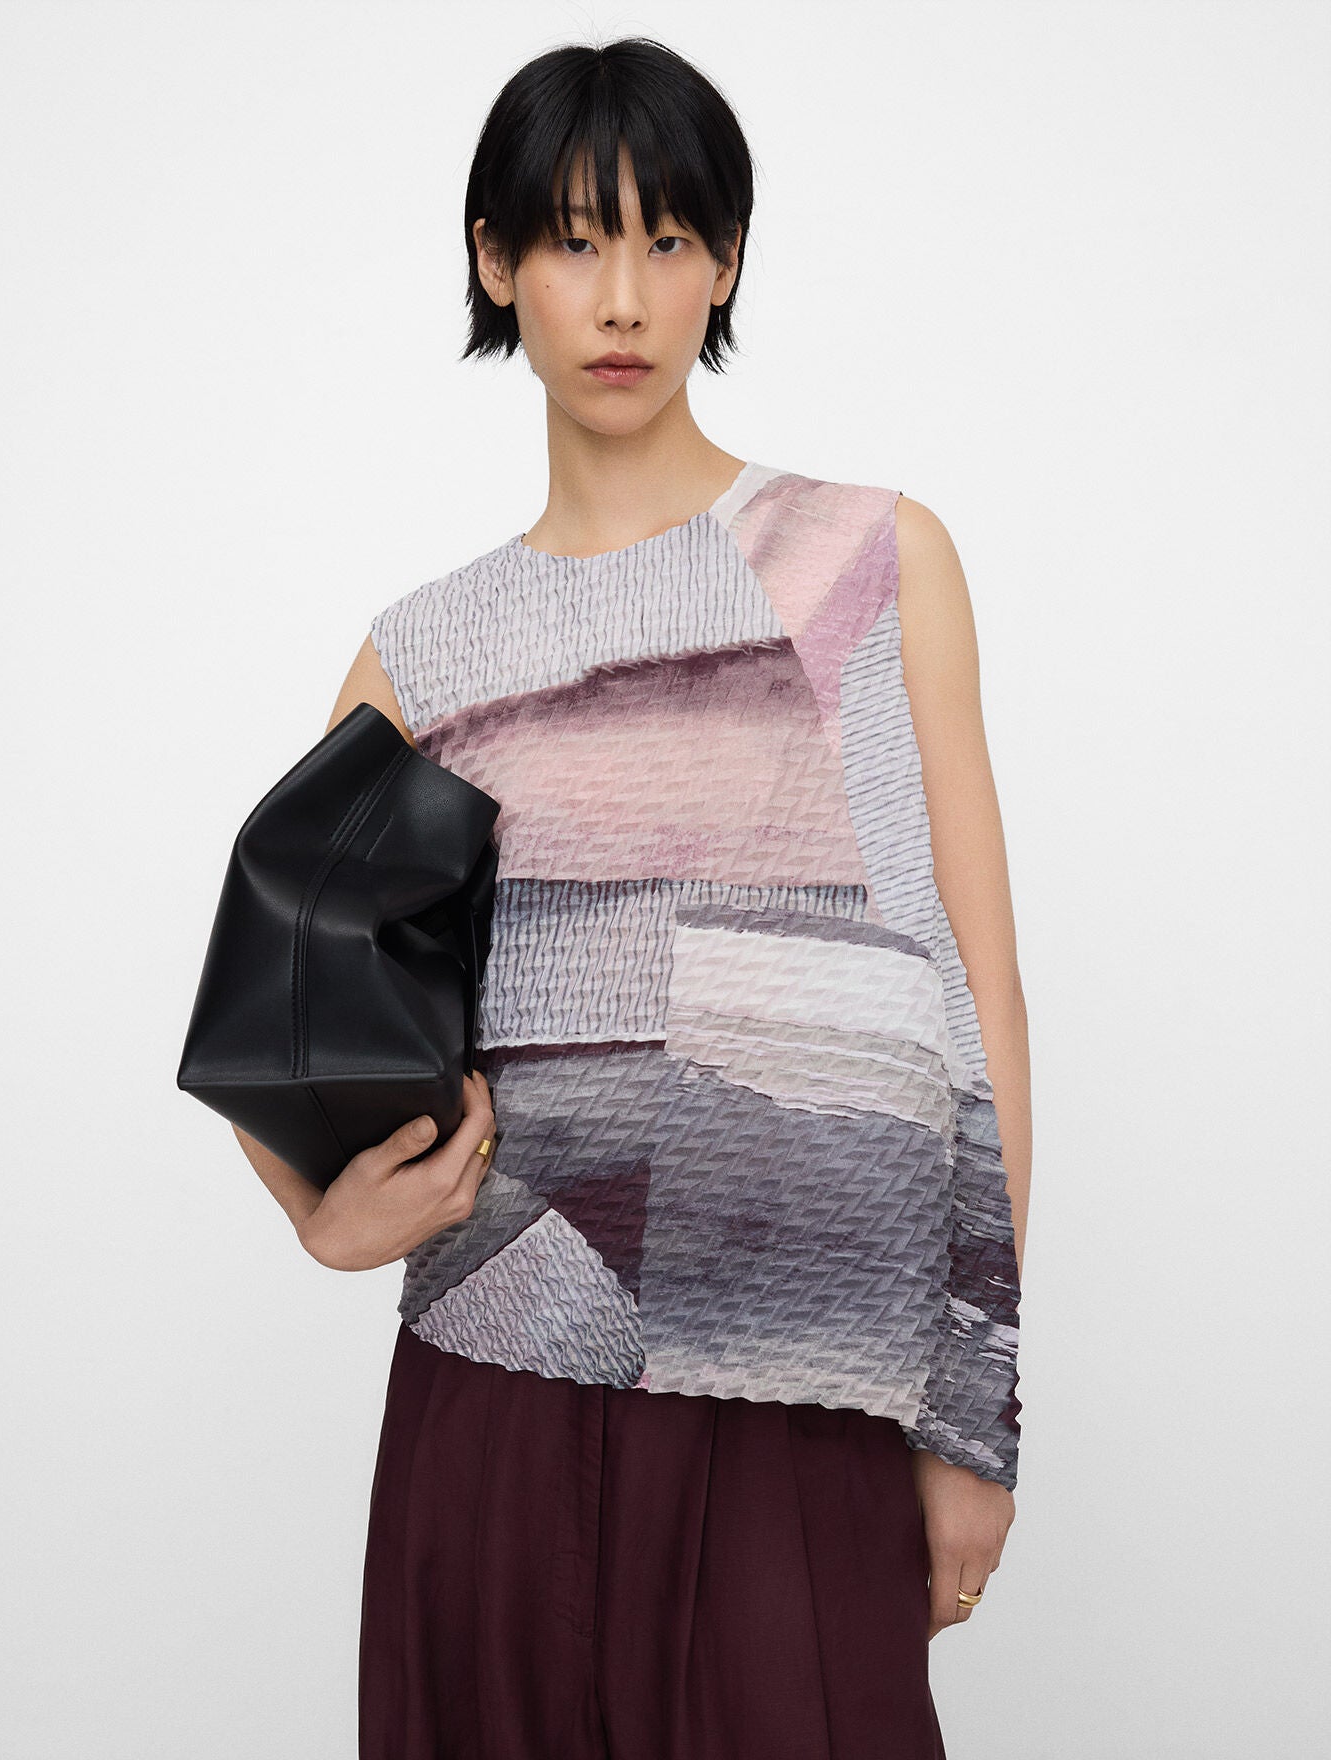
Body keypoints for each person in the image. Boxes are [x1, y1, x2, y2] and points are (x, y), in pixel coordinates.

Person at [233, 36, 1030, 1760]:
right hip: (498, 1393)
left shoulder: (871, 563)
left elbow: (976, 999)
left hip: (804, 1390)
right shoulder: (425, 652)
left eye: (669, 241)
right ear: (494, 260)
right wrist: (322, 1215)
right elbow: (274, 995)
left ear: (725, 263)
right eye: (575, 241)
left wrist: (974, 1410)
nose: (621, 299)